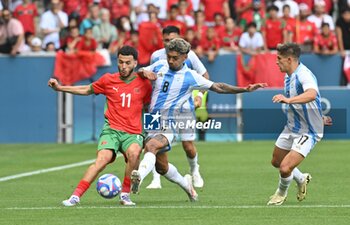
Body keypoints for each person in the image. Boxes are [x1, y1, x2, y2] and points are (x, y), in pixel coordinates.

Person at [130, 38, 266, 202]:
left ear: (185, 57)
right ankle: (187, 186)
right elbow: (140, 71)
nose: (171, 60)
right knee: (161, 167)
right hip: (153, 119)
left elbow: (218, 87)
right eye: (169, 57)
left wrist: (244, 89)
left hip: (171, 121)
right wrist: (143, 72)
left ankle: (139, 178)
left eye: (175, 58)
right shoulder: (160, 65)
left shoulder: (190, 76)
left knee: (150, 146)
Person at [48, 46, 153, 206]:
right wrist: (60, 87)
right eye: (120, 62)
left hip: (133, 132)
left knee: (133, 154)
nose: (123, 66)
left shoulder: (144, 84)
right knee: (101, 160)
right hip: (111, 130)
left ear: (135, 63)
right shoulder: (108, 80)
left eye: (127, 63)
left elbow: (151, 105)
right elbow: (86, 89)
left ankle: (125, 195)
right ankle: (75, 197)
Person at [147, 26, 210, 190]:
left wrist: (199, 96)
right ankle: (155, 179)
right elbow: (150, 78)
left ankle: (194, 170)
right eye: (166, 40)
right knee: (155, 143)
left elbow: (205, 76)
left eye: (172, 40)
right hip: (159, 109)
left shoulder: (188, 55)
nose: (169, 43)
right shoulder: (156, 57)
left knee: (188, 145)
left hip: (184, 109)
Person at [267, 43, 324, 206]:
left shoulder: (303, 74)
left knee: (285, 168)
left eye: (279, 58)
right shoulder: (288, 76)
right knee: (276, 161)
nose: (276, 62)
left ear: (290, 59)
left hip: (309, 131)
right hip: (293, 126)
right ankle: (301, 178)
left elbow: (312, 94)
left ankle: (280, 194)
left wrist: (288, 100)